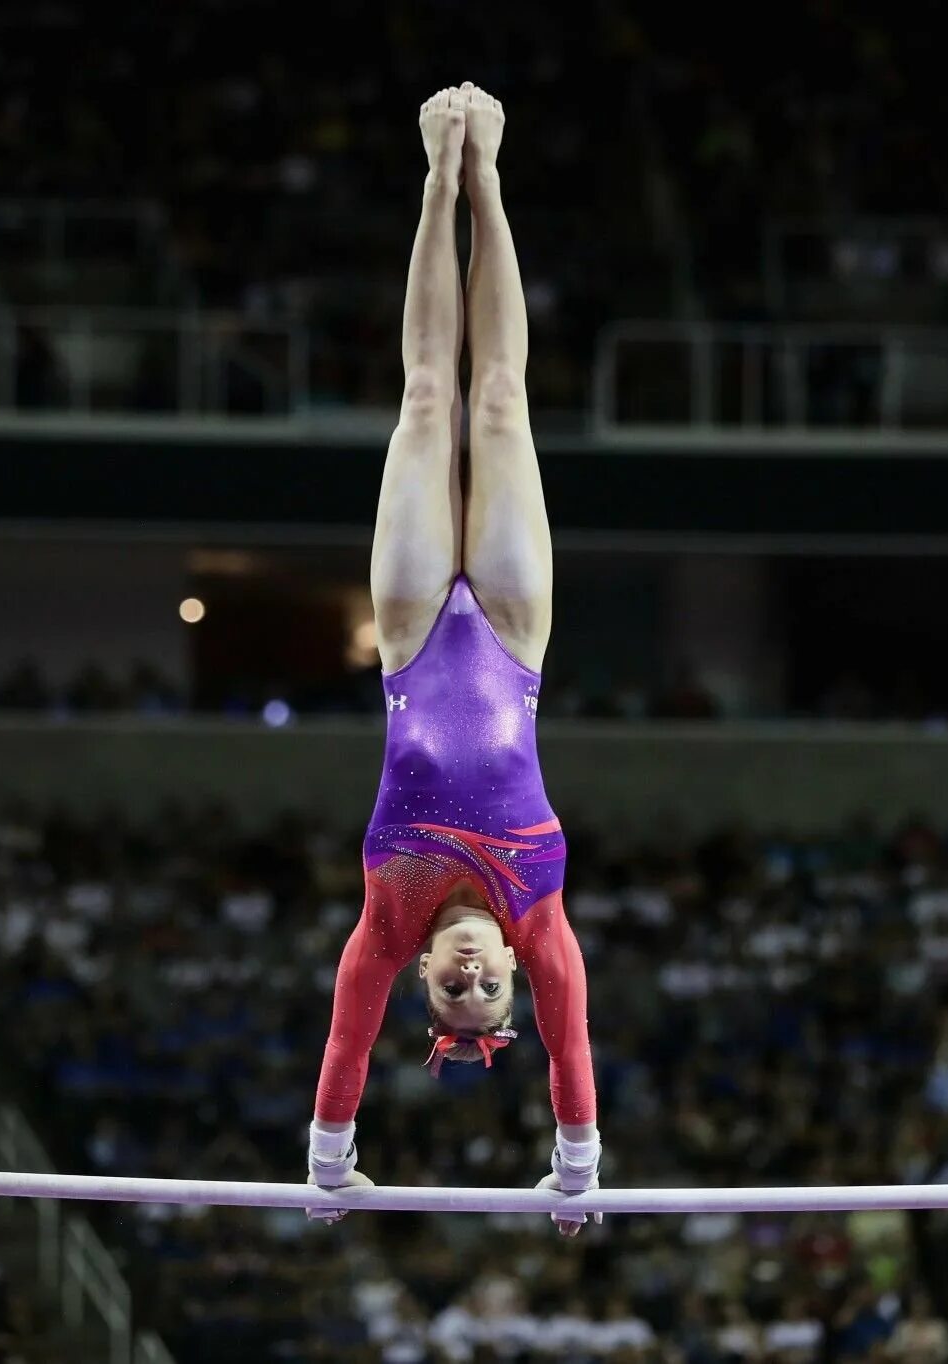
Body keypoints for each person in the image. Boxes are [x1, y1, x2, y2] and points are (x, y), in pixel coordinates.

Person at [305, 84, 599, 1236]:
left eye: (451, 986)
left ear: (422, 977)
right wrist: (574, 1168)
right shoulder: (536, 914)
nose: (474, 971)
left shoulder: (389, 911)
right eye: (490, 987)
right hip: (515, 638)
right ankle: (490, 175)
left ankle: (437, 176)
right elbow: (572, 1033)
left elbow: (342, 1035)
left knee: (427, 403)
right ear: (510, 977)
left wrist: (331, 1160)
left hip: (415, 633)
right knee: (500, 401)